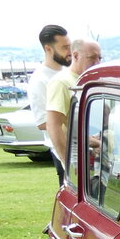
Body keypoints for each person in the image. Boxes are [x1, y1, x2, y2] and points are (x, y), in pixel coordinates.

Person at [45, 39, 102, 168]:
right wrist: (69, 165)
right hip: (77, 162)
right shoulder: (61, 82)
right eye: (92, 58)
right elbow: (53, 126)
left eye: (99, 58)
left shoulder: (90, 82)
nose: (97, 63)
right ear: (75, 56)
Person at [27, 24, 70, 182]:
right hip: (64, 153)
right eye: (64, 47)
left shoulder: (68, 72)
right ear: (48, 48)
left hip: (86, 148)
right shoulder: (39, 80)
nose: (69, 52)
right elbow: (43, 122)